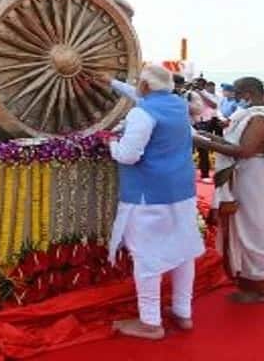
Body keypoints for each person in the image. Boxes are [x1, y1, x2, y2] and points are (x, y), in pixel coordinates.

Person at [91, 64, 205, 339]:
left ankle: (151, 322)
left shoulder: (142, 113)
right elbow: (142, 96)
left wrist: (110, 144)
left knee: (146, 256)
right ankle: (182, 311)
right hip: (181, 191)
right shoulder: (177, 104)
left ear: (145, 86)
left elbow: (129, 155)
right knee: (183, 250)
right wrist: (112, 82)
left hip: (149, 195)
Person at [194, 76, 264, 303]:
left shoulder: (260, 117)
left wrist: (204, 144)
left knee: (255, 229)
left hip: (254, 177)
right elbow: (235, 145)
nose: (236, 96)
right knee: (251, 227)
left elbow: (245, 150)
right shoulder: (253, 114)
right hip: (249, 175)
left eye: (239, 91)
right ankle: (262, 284)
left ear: (249, 92)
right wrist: (207, 136)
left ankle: (259, 289)